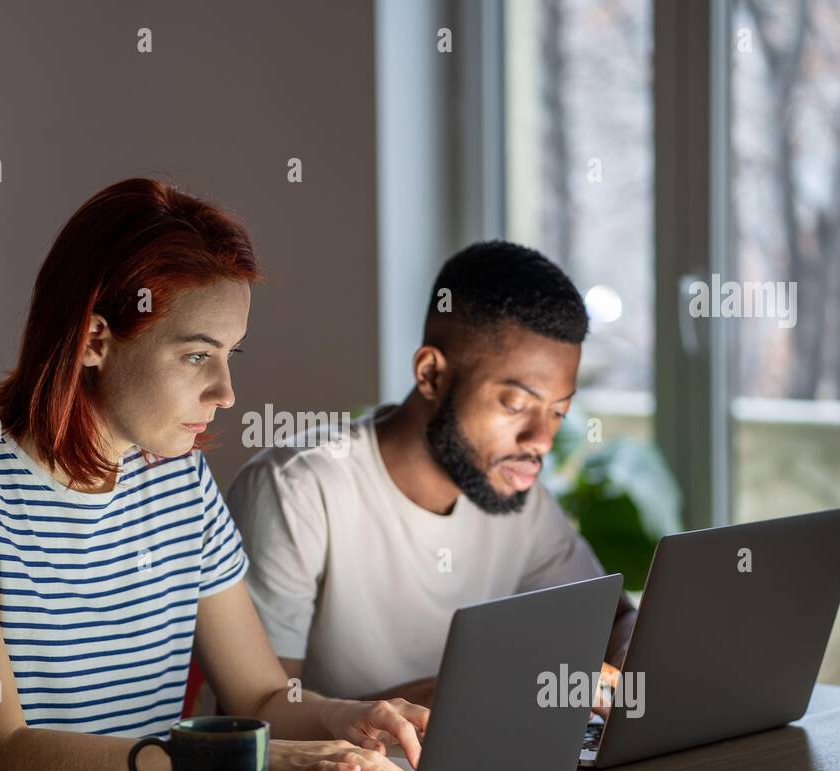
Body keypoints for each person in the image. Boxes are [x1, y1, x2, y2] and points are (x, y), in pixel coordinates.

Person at [0, 178, 427, 771]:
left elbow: (261, 694)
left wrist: (346, 720)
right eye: (195, 355)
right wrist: (247, 763)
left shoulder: (178, 480)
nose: (226, 392)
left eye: (229, 356)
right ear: (95, 340)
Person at [227, 240, 637, 709]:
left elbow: (614, 619)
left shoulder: (513, 493)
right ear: (430, 374)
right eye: (516, 404)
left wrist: (626, 659)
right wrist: (466, 695)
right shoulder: (298, 487)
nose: (540, 439)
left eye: (558, 412)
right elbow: (259, 719)